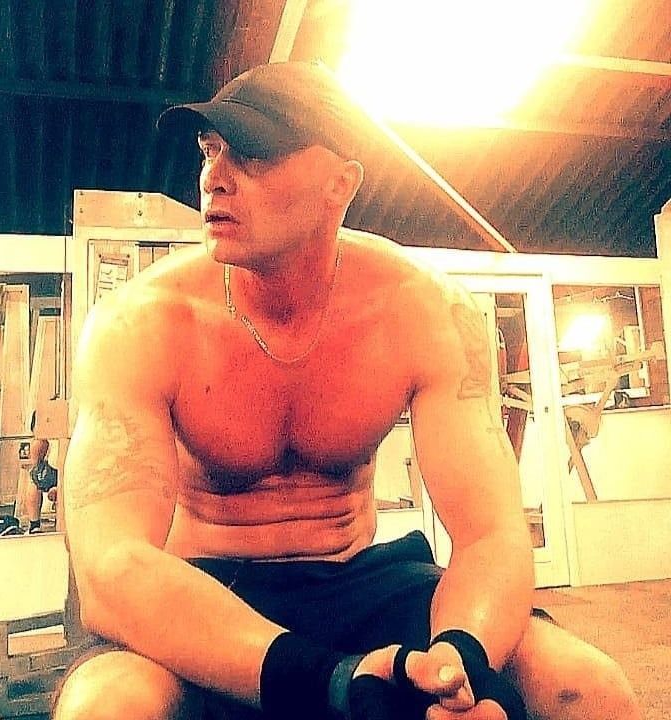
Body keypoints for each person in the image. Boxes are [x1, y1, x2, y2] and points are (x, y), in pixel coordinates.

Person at [55, 62, 640, 720]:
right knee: (106, 706)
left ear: (341, 183)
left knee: (590, 686)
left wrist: (457, 664)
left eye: (251, 155)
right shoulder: (140, 324)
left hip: (361, 581)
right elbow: (112, 567)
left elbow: (491, 536)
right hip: (204, 588)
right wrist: (330, 680)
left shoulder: (421, 308)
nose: (214, 177)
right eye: (210, 150)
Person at [25, 436, 58, 533]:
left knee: (34, 480)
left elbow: (39, 441)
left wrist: (36, 467)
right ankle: (56, 488)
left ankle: (34, 524)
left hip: (53, 469)